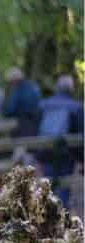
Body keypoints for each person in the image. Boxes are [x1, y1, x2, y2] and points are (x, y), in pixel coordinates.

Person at [37, 75, 84, 206]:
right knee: (63, 187)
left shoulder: (43, 105)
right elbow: (80, 135)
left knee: (47, 184)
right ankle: (61, 218)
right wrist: (82, 159)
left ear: (57, 88)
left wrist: (37, 153)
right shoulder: (76, 107)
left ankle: (46, 214)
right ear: (71, 90)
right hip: (66, 152)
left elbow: (36, 129)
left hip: (45, 150)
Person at [3, 67, 42, 137]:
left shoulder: (18, 90)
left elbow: (11, 108)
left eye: (10, 82)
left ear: (14, 80)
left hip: (22, 121)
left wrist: (5, 113)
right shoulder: (34, 86)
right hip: (35, 120)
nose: (11, 85)